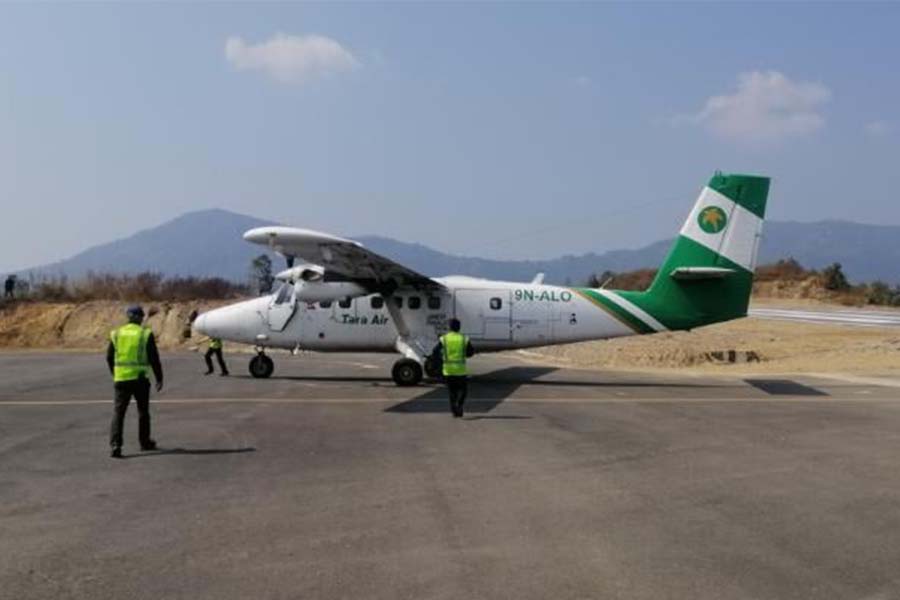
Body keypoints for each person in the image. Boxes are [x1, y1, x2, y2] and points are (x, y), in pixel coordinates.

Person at [106, 305, 163, 458]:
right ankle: (145, 442)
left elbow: (109, 357)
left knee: (119, 413)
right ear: (140, 317)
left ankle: (115, 445)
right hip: (140, 379)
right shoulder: (145, 334)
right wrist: (159, 377)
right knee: (143, 412)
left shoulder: (116, 333)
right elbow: (154, 358)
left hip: (121, 379)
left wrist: (115, 373)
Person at [431, 318, 475, 418]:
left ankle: (454, 410)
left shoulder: (444, 339)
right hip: (460, 370)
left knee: (452, 392)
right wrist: (464, 354)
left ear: (449, 327)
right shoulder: (464, 339)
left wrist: (438, 362)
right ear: (459, 327)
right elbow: (471, 352)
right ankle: (459, 405)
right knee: (463, 391)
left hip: (448, 370)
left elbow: (435, 351)